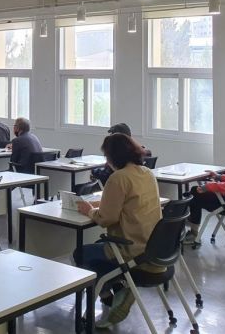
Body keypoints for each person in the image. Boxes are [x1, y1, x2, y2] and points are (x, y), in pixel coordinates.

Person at [73, 133, 162, 328]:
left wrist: (90, 211)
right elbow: (129, 203)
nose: (106, 162)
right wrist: (101, 204)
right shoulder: (147, 173)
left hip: (129, 250)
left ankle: (107, 293)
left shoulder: (118, 178)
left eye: (107, 156)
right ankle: (118, 288)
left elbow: (107, 219)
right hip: (153, 249)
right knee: (97, 250)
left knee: (81, 254)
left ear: (114, 156)